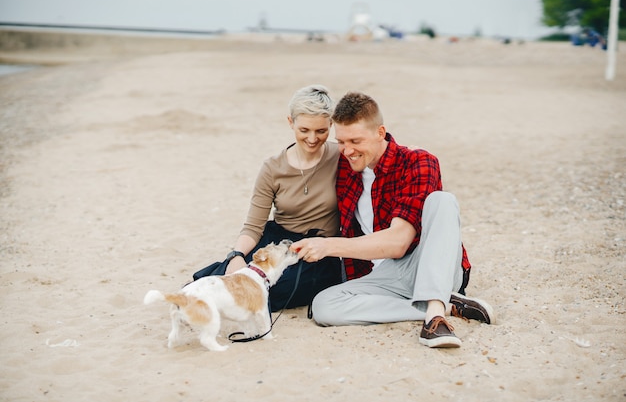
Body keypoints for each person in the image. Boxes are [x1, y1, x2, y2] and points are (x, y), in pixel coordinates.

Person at [291, 91, 494, 348]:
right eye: (341, 141)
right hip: (384, 276)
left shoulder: (419, 162)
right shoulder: (345, 165)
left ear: (380, 132)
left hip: (427, 264)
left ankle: (434, 317)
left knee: (442, 201)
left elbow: (399, 242)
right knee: (323, 306)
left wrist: (329, 246)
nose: (347, 150)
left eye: (355, 140)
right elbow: (303, 152)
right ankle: (450, 306)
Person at [192, 84, 343, 312]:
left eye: (321, 131)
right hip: (277, 243)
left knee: (271, 291)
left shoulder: (341, 156)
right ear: (290, 122)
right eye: (304, 130)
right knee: (224, 278)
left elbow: (376, 151)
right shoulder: (272, 168)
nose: (312, 138)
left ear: (331, 125)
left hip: (318, 250)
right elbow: (253, 226)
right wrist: (236, 255)